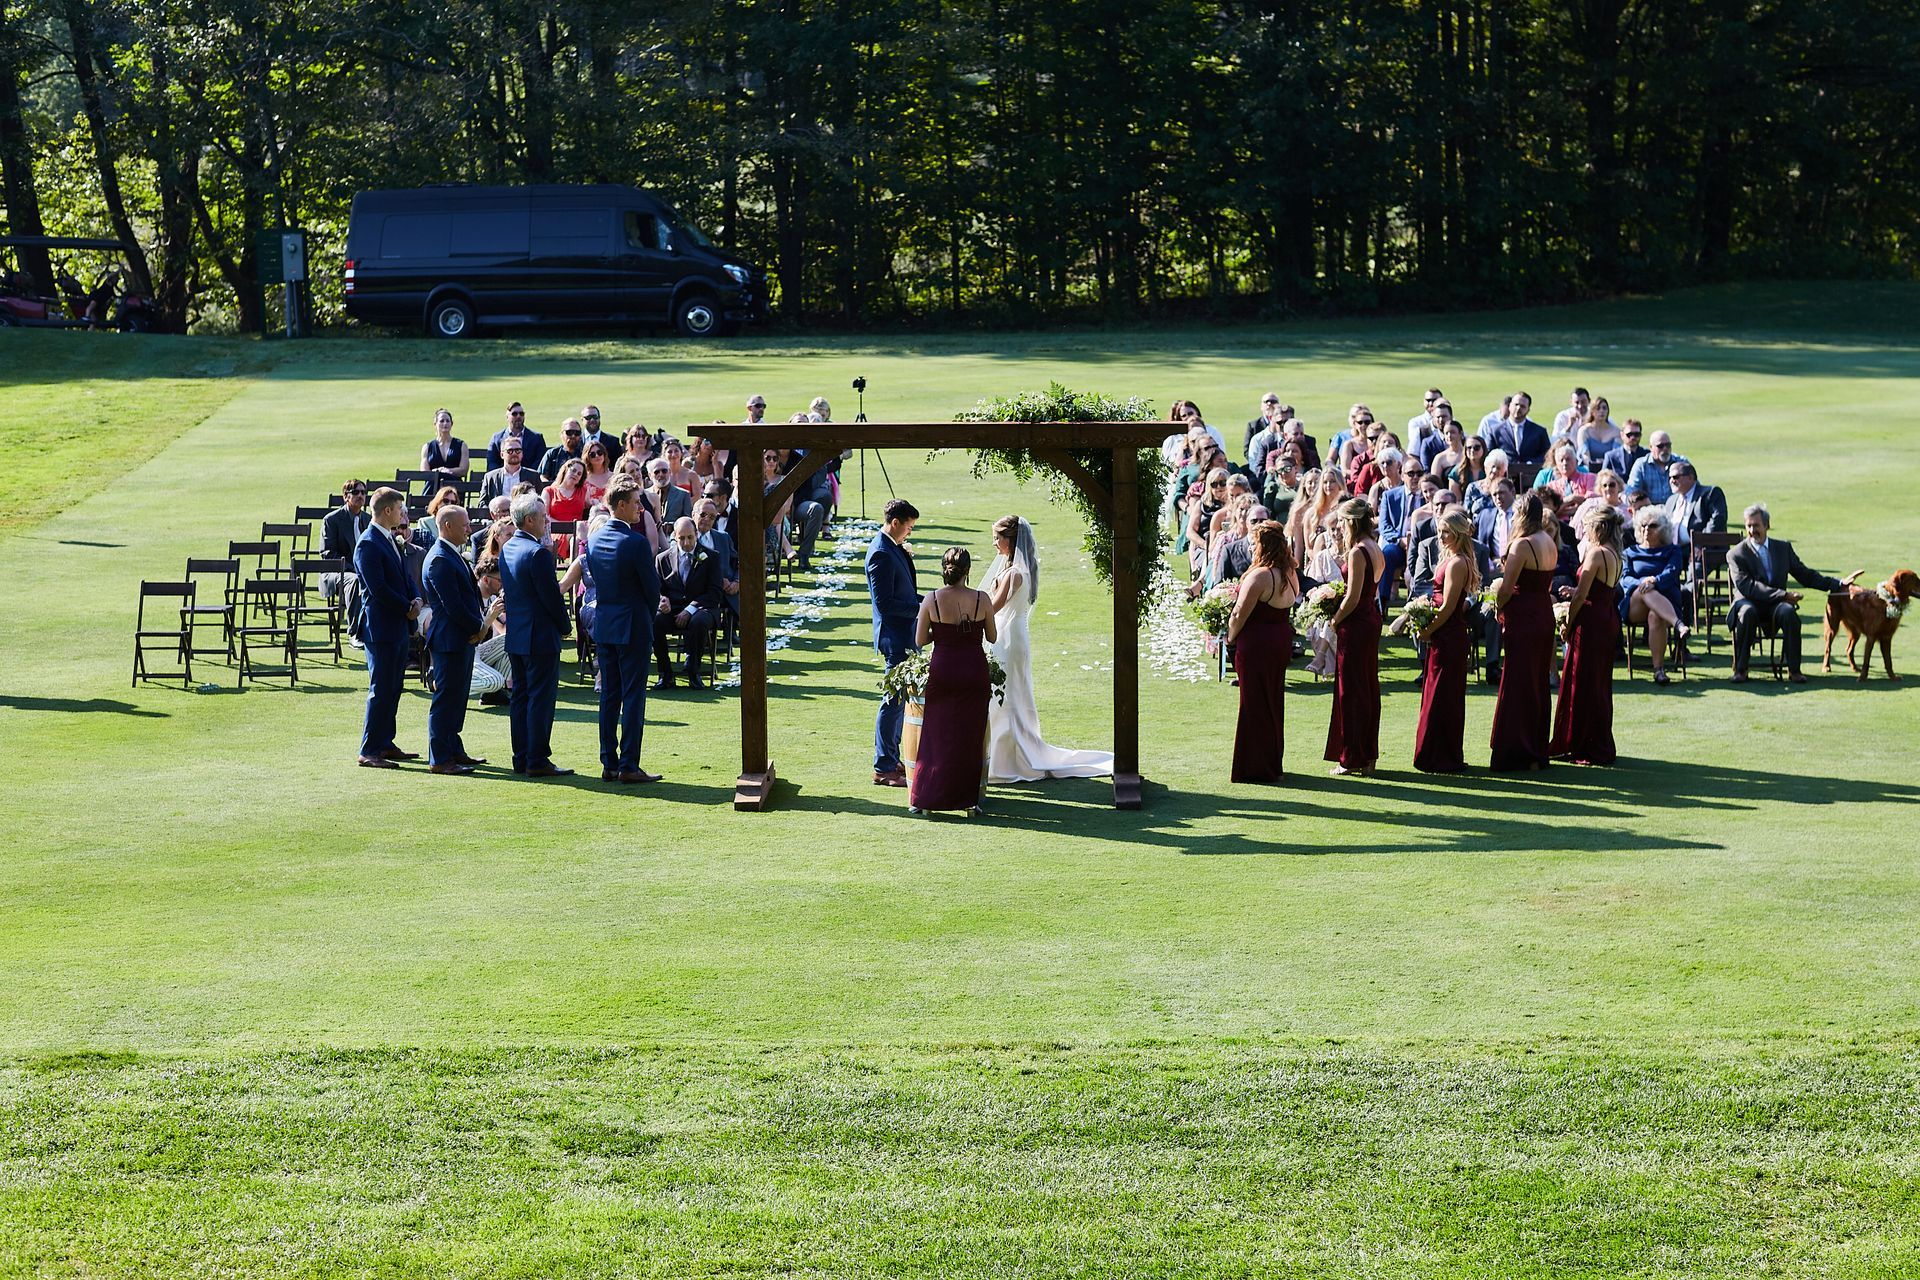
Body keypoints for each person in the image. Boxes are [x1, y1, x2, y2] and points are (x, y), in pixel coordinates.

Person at [981, 515, 1114, 783]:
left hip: (1008, 638)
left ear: (1011, 540)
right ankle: (999, 754)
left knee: (1009, 695)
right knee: (1002, 695)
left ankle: (1011, 759)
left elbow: (991, 608)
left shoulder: (1015, 574)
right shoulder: (1010, 569)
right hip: (1006, 634)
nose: (994, 543)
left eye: (998, 538)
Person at [1727, 503, 1860, 684]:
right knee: (1747, 613)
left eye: (1756, 525)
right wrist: (1783, 595)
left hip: (1775, 605)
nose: (1752, 530)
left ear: (1767, 525)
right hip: (1748, 601)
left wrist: (1837, 583)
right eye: (1748, 526)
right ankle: (1741, 669)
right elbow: (1748, 586)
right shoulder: (1736, 554)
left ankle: (1794, 670)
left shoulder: (1783, 549)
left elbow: (1805, 575)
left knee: (1789, 613)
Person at [909, 548, 998, 815]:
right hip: (973, 671)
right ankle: (967, 801)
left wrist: (944, 635)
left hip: (944, 669)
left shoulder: (932, 599)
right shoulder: (982, 599)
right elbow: (992, 637)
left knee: (936, 735)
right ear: (967, 571)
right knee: (969, 737)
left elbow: (919, 640)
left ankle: (927, 800)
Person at [586, 478, 663, 782]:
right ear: (620, 505)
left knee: (609, 695)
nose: (640, 508)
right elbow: (651, 589)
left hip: (605, 624)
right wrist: (648, 612)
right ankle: (629, 764)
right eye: (635, 502)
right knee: (632, 697)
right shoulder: (635, 542)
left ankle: (609, 762)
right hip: (633, 625)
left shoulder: (593, 539)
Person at [422, 506, 497, 775]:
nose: (469, 529)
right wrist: (478, 627)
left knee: (457, 697)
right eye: (464, 525)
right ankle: (440, 758)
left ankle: (453, 748)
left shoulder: (452, 554)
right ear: (448, 526)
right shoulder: (439, 559)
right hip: (450, 639)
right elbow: (453, 606)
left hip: (461, 638)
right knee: (446, 699)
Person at [500, 494, 572, 776]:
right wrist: (566, 627)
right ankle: (538, 759)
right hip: (540, 637)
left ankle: (522, 757)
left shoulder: (508, 547)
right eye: (543, 516)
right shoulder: (537, 552)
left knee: (521, 698)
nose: (547, 521)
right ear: (530, 520)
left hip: (517, 635)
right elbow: (550, 597)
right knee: (540, 700)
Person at [352, 487, 421, 768]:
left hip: (398, 626)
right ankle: (369, 749)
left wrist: (415, 597)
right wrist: (407, 607)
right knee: (380, 688)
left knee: (394, 686)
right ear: (388, 511)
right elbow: (377, 588)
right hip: (381, 627)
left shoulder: (392, 539)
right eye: (401, 509)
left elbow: (405, 575)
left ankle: (385, 742)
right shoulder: (368, 543)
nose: (404, 514)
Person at [1226, 521, 1299, 783]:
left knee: (1253, 704)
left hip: (1257, 644)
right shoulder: (1290, 572)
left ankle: (1256, 767)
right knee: (1272, 702)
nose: (1251, 547)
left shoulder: (1260, 576)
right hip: (1279, 642)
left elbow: (1238, 614)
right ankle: (1271, 761)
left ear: (1263, 545)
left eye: (1254, 543)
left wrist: (1229, 638)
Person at [1489, 490, 1557, 770]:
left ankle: (1518, 752)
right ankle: (1537, 750)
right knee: (1538, 683)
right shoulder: (1549, 542)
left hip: (1523, 618)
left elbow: (1507, 588)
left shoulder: (1522, 545)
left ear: (1521, 515)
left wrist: (1497, 607)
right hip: (1543, 614)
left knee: (1517, 684)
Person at [1551, 505, 1624, 764]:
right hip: (1607, 619)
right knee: (1599, 683)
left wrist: (1567, 626)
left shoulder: (1596, 553)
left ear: (1599, 528)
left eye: (1589, 525)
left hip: (1591, 624)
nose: (1584, 530)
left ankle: (1584, 742)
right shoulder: (1615, 553)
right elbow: (1598, 591)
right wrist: (1576, 592)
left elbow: (1583, 596)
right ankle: (1596, 738)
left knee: (1583, 682)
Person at [1413, 508, 1481, 773]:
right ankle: (1435, 753)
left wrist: (1428, 630)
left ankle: (1441, 756)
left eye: (1446, 533)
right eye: (1440, 531)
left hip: (1449, 635)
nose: (1441, 537)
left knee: (1444, 697)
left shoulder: (1457, 563)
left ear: (1458, 534)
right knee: (1437, 695)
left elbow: (1450, 607)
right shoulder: (1451, 558)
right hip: (1444, 634)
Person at [1324, 498, 1384, 776]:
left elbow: (1352, 597)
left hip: (1357, 624)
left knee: (1352, 691)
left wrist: (1335, 620)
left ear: (1351, 522)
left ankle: (1352, 757)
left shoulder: (1358, 551)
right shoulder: (1376, 547)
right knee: (1368, 687)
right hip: (1370, 619)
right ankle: (1368, 754)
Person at [867, 499, 921, 786]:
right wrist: (922, 607)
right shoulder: (881, 553)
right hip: (895, 636)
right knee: (893, 701)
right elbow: (885, 604)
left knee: (899, 701)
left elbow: (905, 591)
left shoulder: (892, 547)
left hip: (905, 633)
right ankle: (884, 766)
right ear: (895, 522)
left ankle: (891, 757)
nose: (909, 533)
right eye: (908, 527)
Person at [1620, 507, 1690, 685]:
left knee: (1655, 616)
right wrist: (1645, 581)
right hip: (1635, 604)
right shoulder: (1630, 552)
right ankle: (1678, 624)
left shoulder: (1672, 551)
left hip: (1664, 605)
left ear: (1664, 529)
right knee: (1646, 589)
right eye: (1643, 525)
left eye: (1652, 526)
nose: (1646, 529)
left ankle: (1659, 670)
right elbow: (1625, 578)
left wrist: (1656, 580)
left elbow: (1672, 572)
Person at [653, 516, 722, 691]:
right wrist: (662, 599)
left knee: (698, 622)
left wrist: (690, 609)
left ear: (696, 535)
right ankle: (665, 673)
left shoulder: (711, 557)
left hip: (702, 607)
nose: (686, 542)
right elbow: (657, 588)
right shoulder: (662, 559)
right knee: (654, 622)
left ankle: (693, 671)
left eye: (690, 537)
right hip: (674, 607)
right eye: (681, 538)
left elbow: (715, 593)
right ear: (674, 537)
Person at [1663, 460, 1727, 551]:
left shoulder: (1710, 493)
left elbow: (1717, 520)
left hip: (1702, 550)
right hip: (1673, 551)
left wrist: (1700, 545)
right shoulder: (1671, 500)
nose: (1672, 481)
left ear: (1690, 477)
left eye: (1676, 477)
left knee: (1696, 565)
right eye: (1670, 477)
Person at [1481, 391, 1549, 468]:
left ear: (1528, 410)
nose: (1518, 408)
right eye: (1516, 404)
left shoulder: (1539, 432)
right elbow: (1489, 455)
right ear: (1510, 406)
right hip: (1504, 474)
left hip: (1531, 474)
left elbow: (1547, 455)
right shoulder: (1495, 431)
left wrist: (1530, 464)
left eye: (1522, 406)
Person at [1624, 430, 1686, 505]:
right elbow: (1632, 493)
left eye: (1668, 445)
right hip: (1649, 512)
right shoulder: (1641, 465)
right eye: (1660, 446)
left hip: (1677, 510)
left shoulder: (1681, 463)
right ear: (1651, 447)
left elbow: (1694, 488)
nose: (1665, 449)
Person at [543, 459, 589, 558]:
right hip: (554, 532)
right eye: (573, 470)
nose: (576, 474)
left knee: (576, 539)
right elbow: (544, 516)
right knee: (575, 539)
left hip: (577, 532)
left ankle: (577, 569)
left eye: (579, 473)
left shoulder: (584, 491)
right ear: (566, 469)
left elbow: (590, 507)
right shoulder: (549, 491)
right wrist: (565, 527)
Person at [486, 402, 546, 473]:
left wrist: (524, 475)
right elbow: (492, 463)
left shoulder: (537, 438)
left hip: (528, 481)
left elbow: (539, 462)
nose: (518, 416)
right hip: (503, 480)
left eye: (521, 414)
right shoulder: (496, 439)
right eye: (514, 414)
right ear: (507, 417)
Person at [1573, 397, 1622, 470]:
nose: (1602, 411)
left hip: (1610, 469)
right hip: (1588, 469)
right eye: (1598, 408)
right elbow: (1584, 455)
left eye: (1604, 408)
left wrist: (1605, 468)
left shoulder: (1616, 431)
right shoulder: (1584, 431)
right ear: (1592, 411)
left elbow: (1616, 456)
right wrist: (1593, 467)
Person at [421, 408, 469, 480]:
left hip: (454, 485)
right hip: (432, 485)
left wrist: (447, 471)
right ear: (435, 424)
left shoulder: (461, 445)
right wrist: (437, 472)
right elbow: (424, 472)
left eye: (447, 421)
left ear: (451, 424)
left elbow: (464, 470)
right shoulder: (427, 447)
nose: (445, 424)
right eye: (441, 421)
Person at [539, 418, 587, 483]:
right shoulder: (552, 454)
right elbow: (542, 476)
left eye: (577, 433)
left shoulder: (586, 454)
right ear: (562, 434)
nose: (573, 436)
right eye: (569, 432)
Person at [1245, 392, 1285, 464]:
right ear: (1261, 406)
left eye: (1273, 401)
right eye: (1266, 402)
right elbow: (1247, 451)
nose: (1269, 404)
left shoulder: (1285, 427)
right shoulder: (1254, 426)